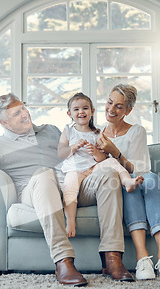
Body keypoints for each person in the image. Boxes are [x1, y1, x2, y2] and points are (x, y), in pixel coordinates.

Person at [0, 93, 135, 286]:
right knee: (44, 174)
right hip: (35, 191)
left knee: (107, 173)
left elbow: (79, 151)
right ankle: (63, 261)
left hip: (70, 187)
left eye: (23, 108)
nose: (24, 114)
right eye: (16, 114)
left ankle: (112, 258)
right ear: (4, 123)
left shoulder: (51, 130)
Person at [96, 84, 160, 280]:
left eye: (119, 106)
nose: (111, 109)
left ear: (128, 110)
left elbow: (141, 169)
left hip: (140, 179)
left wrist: (116, 152)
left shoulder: (136, 131)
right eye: (109, 102)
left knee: (150, 180)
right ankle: (143, 259)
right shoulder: (96, 134)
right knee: (126, 186)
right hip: (117, 186)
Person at [58, 92, 144, 238]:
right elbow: (60, 153)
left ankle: (127, 181)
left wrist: (95, 153)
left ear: (92, 111)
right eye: (76, 109)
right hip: (75, 170)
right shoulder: (68, 131)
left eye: (85, 108)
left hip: (93, 171)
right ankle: (71, 221)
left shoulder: (97, 133)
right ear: (69, 113)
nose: (81, 112)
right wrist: (73, 148)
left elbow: (103, 159)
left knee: (111, 161)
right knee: (70, 186)